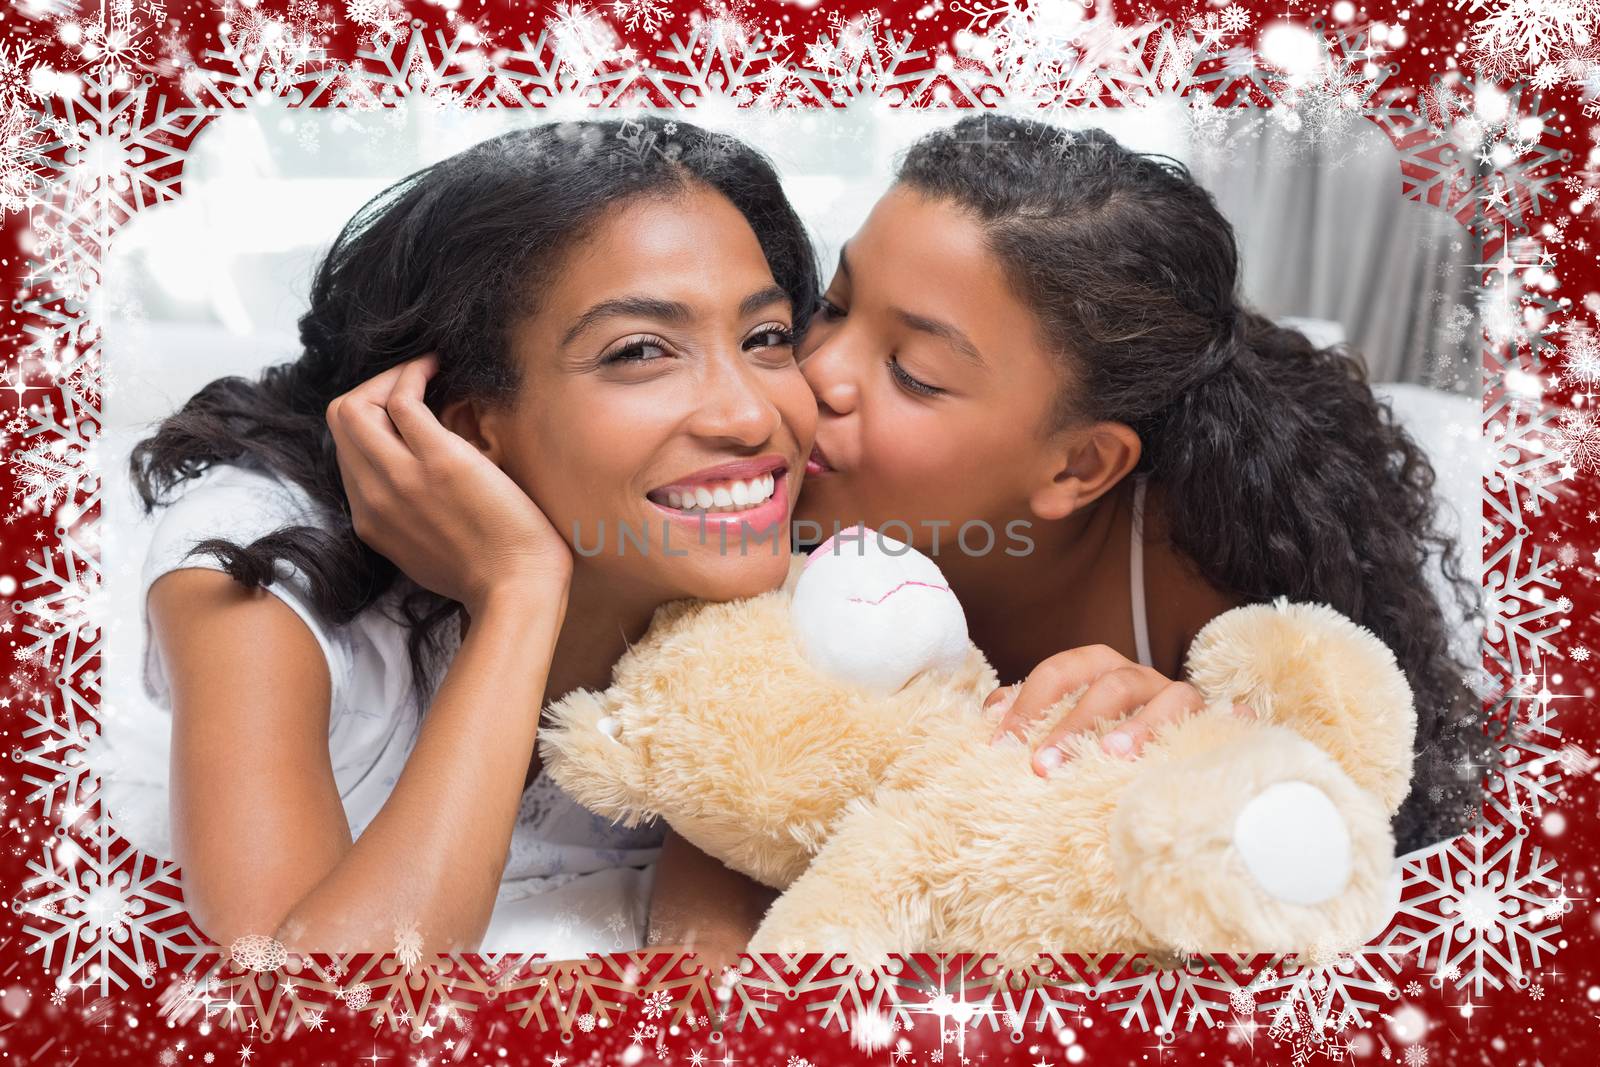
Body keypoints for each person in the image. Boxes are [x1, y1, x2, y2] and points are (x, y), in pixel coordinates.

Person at [645, 114, 1487, 961]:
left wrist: (1210, 752)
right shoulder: (779, 473)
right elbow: (721, 762)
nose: (818, 371)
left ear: (1079, 465)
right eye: (834, 304)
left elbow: (1323, 838)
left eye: (913, 372)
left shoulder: (1195, 584)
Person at [117, 116, 819, 956]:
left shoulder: (800, 570)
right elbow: (316, 1006)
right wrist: (519, 593)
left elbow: (712, 967)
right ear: (468, 428)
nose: (749, 416)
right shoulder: (257, 565)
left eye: (766, 338)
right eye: (640, 351)